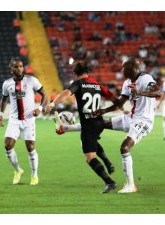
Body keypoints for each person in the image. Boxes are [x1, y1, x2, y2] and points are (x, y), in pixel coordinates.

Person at [46, 61, 118, 194]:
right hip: (99, 122)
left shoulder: (78, 84)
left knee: (89, 157)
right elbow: (116, 101)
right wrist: (104, 110)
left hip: (88, 125)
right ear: (88, 72)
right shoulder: (98, 84)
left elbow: (66, 94)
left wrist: (52, 103)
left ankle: (109, 182)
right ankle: (108, 163)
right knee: (91, 141)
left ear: (75, 73)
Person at [93, 58, 161, 193]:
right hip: (131, 117)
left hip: (144, 120)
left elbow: (158, 92)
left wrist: (140, 93)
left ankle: (131, 185)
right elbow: (120, 103)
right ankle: (67, 128)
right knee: (99, 124)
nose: (122, 70)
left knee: (125, 147)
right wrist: (104, 110)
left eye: (124, 68)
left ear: (131, 68)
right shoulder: (127, 83)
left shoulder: (146, 78)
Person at [0, 57, 47, 185]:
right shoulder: (7, 84)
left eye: (21, 66)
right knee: (8, 146)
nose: (19, 68)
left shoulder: (31, 80)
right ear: (11, 69)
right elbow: (3, 100)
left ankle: (34, 175)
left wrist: (40, 108)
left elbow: (44, 94)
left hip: (29, 119)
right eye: (16, 66)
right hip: (14, 120)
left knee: (30, 148)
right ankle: (17, 170)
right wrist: (1, 114)